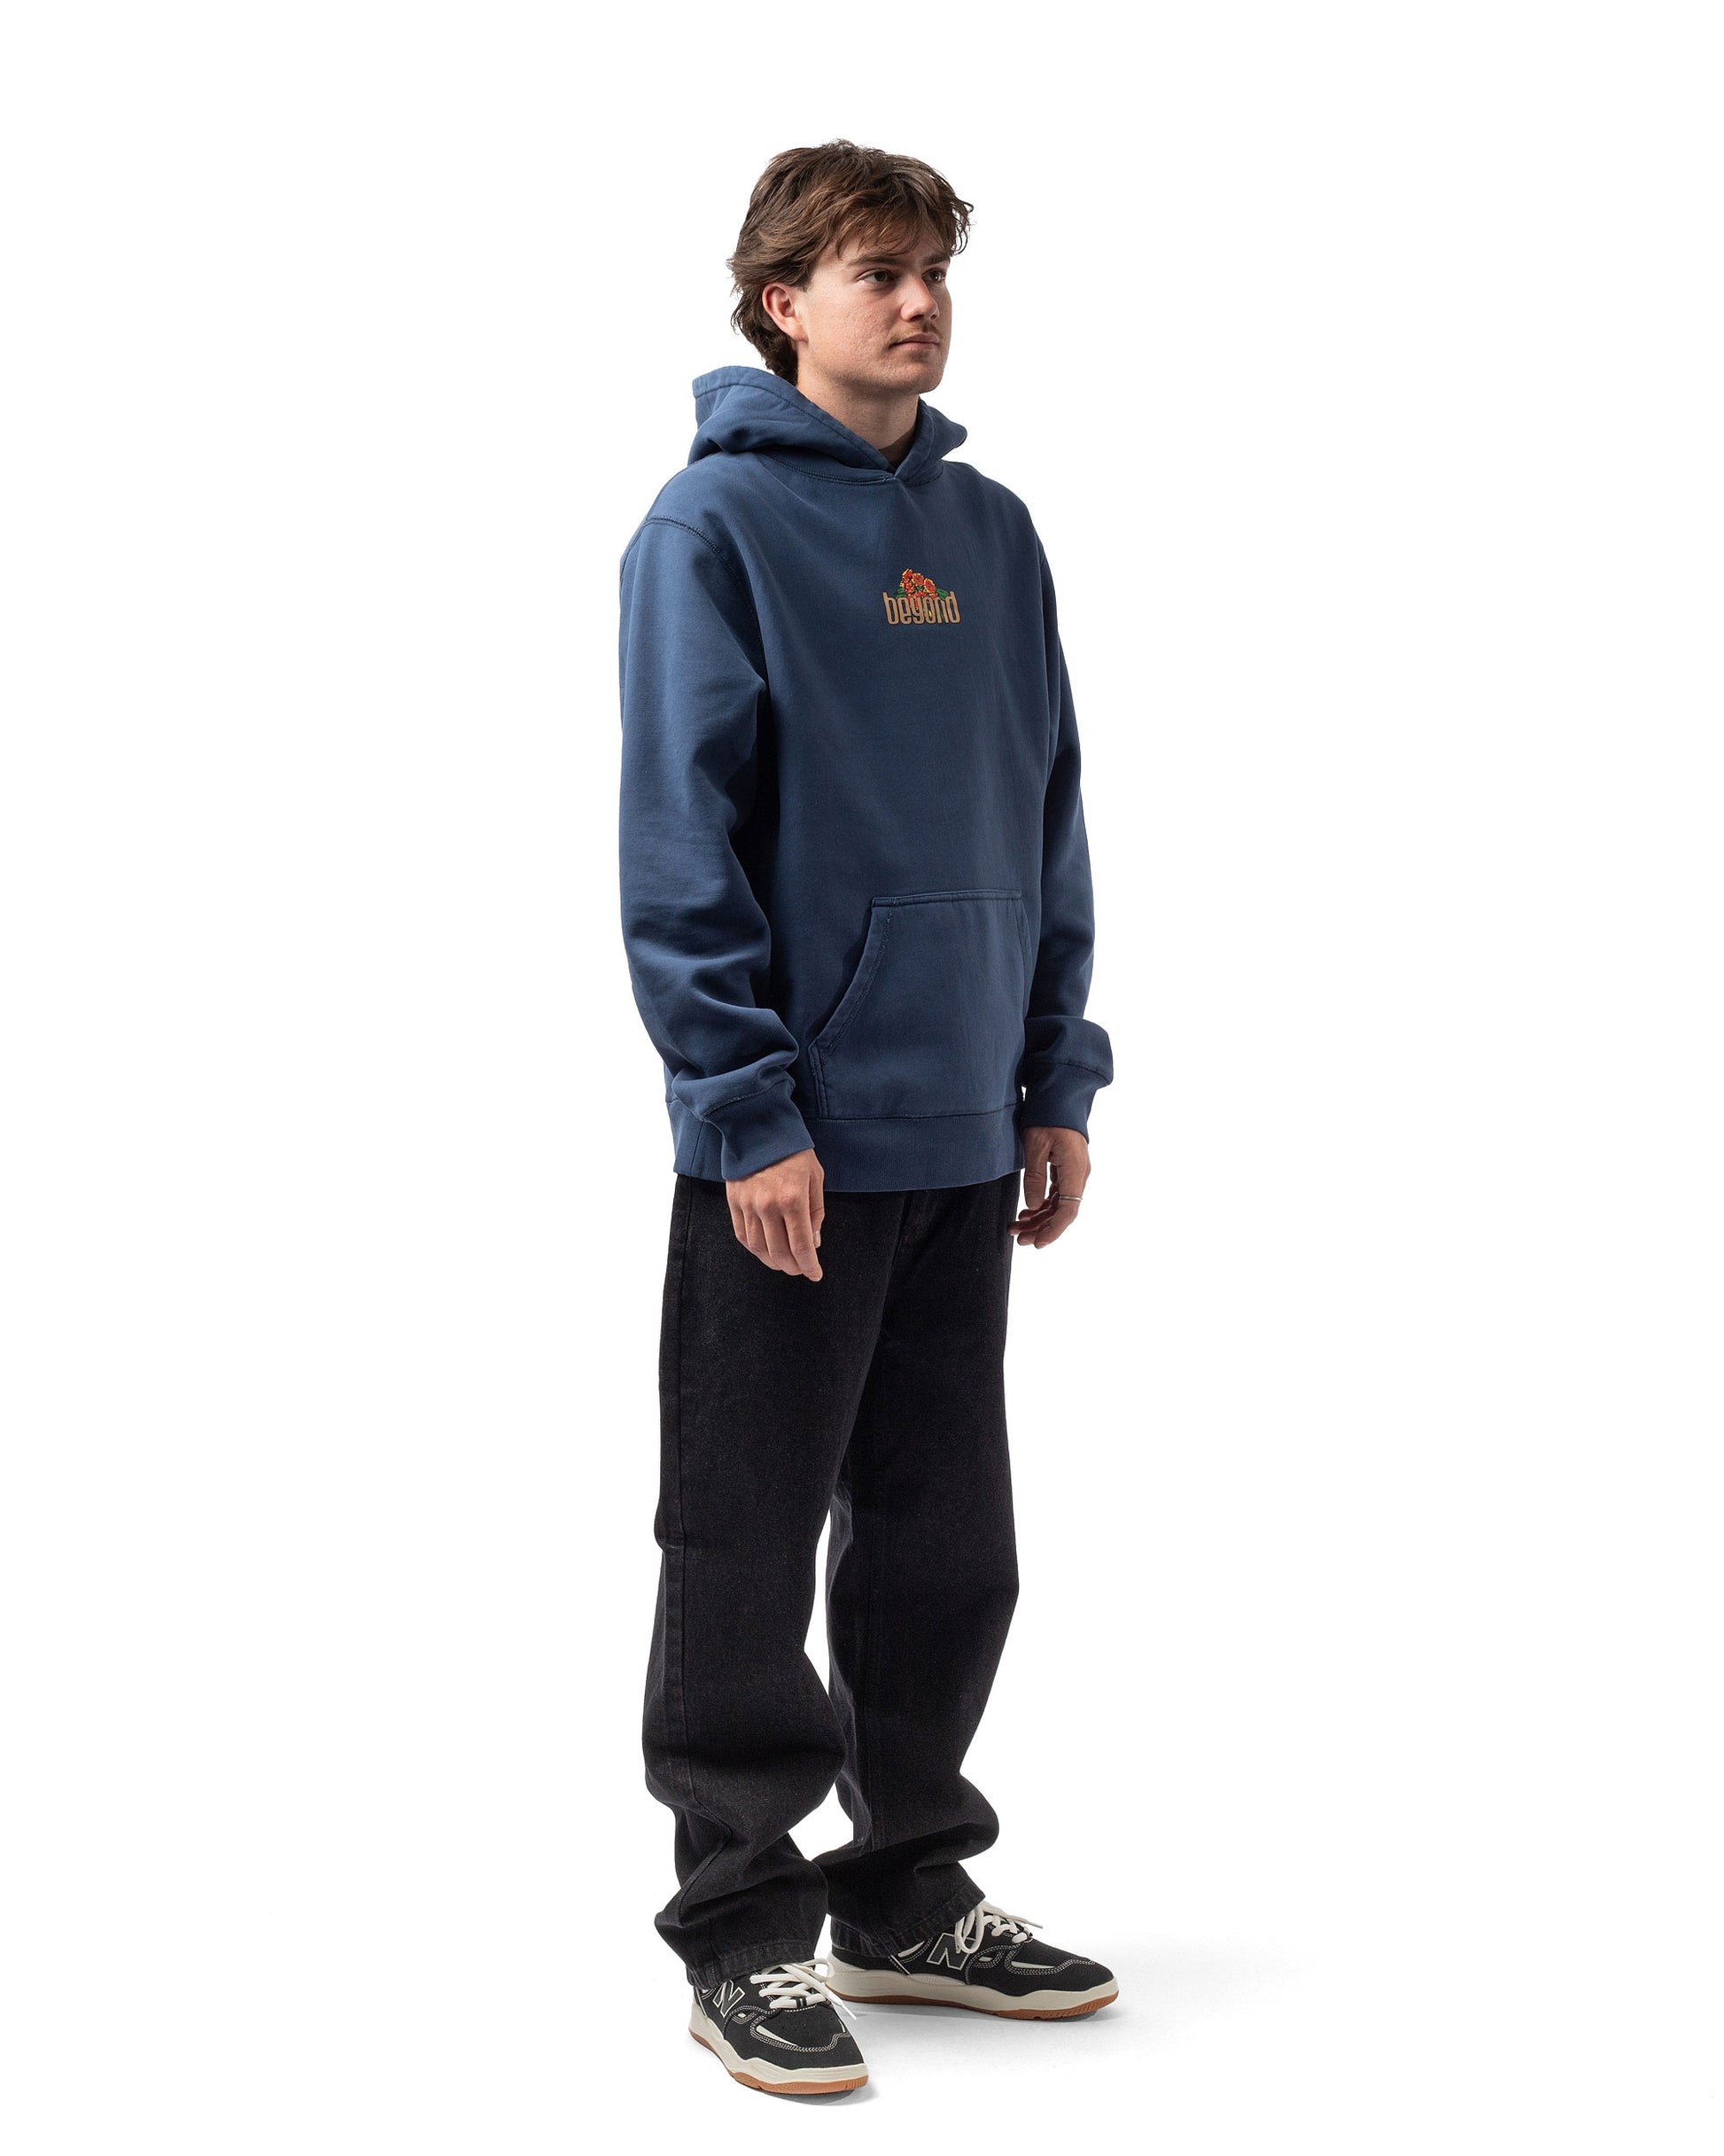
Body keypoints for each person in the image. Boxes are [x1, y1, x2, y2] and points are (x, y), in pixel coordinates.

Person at [617, 140, 1117, 2098]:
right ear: (781, 303)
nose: (914, 304)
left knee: (941, 1537)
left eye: (931, 274)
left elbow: (1041, 797)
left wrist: (1053, 1065)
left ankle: (906, 1890)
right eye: (872, 273)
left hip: (966, 1120)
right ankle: (739, 1923)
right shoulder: (710, 527)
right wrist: (744, 1104)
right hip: (795, 1140)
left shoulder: (991, 529)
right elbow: (679, 838)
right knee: (741, 1535)